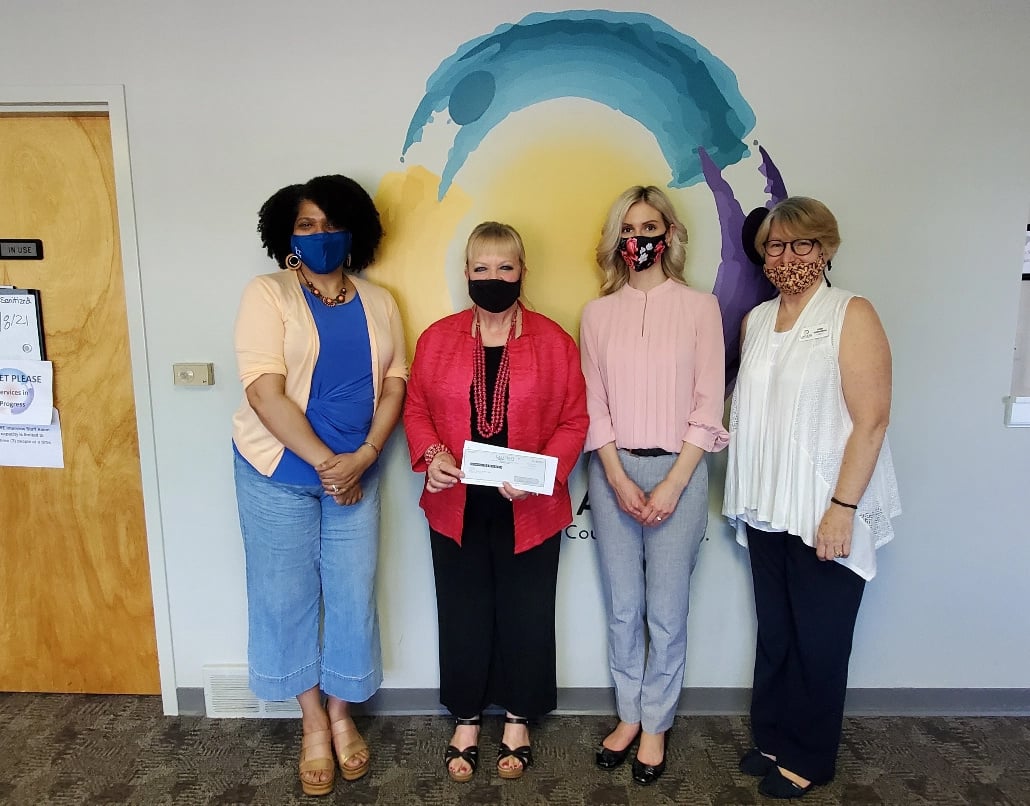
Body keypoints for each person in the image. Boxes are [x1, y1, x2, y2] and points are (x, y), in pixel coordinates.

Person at [232, 174, 407, 797]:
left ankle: (341, 713)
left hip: (359, 467)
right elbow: (263, 391)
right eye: (306, 225)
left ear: (354, 231)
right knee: (286, 595)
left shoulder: (380, 300)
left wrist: (362, 456)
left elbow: (394, 384)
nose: (320, 235)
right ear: (287, 236)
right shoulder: (268, 293)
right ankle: (311, 722)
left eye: (331, 223)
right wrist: (330, 464)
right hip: (276, 468)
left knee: (352, 591)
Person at [723, 197, 901, 799]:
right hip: (767, 505)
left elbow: (872, 420)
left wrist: (843, 508)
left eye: (801, 244)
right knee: (777, 631)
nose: (787, 256)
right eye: (775, 246)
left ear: (825, 248)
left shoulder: (852, 313)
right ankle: (773, 736)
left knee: (820, 640)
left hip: (826, 508)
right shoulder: (755, 321)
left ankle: (810, 755)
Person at [403, 221, 588, 783]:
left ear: (522, 271)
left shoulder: (554, 340)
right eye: (481, 268)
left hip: (528, 505)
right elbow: (415, 410)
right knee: (462, 609)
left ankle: (517, 717)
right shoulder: (436, 338)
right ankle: (464, 716)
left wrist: (540, 476)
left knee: (527, 611)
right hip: (455, 501)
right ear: (466, 273)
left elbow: (574, 420)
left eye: (504, 267)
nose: (492, 278)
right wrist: (432, 455)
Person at [580, 186, 728, 785]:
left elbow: (708, 401)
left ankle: (657, 721)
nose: (639, 238)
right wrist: (615, 477)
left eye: (651, 227)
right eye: (629, 228)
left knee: (666, 612)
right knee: (623, 609)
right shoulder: (596, 313)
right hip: (612, 470)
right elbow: (593, 402)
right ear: (618, 239)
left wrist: (672, 484)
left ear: (669, 234)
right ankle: (627, 714)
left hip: (681, 471)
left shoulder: (700, 308)